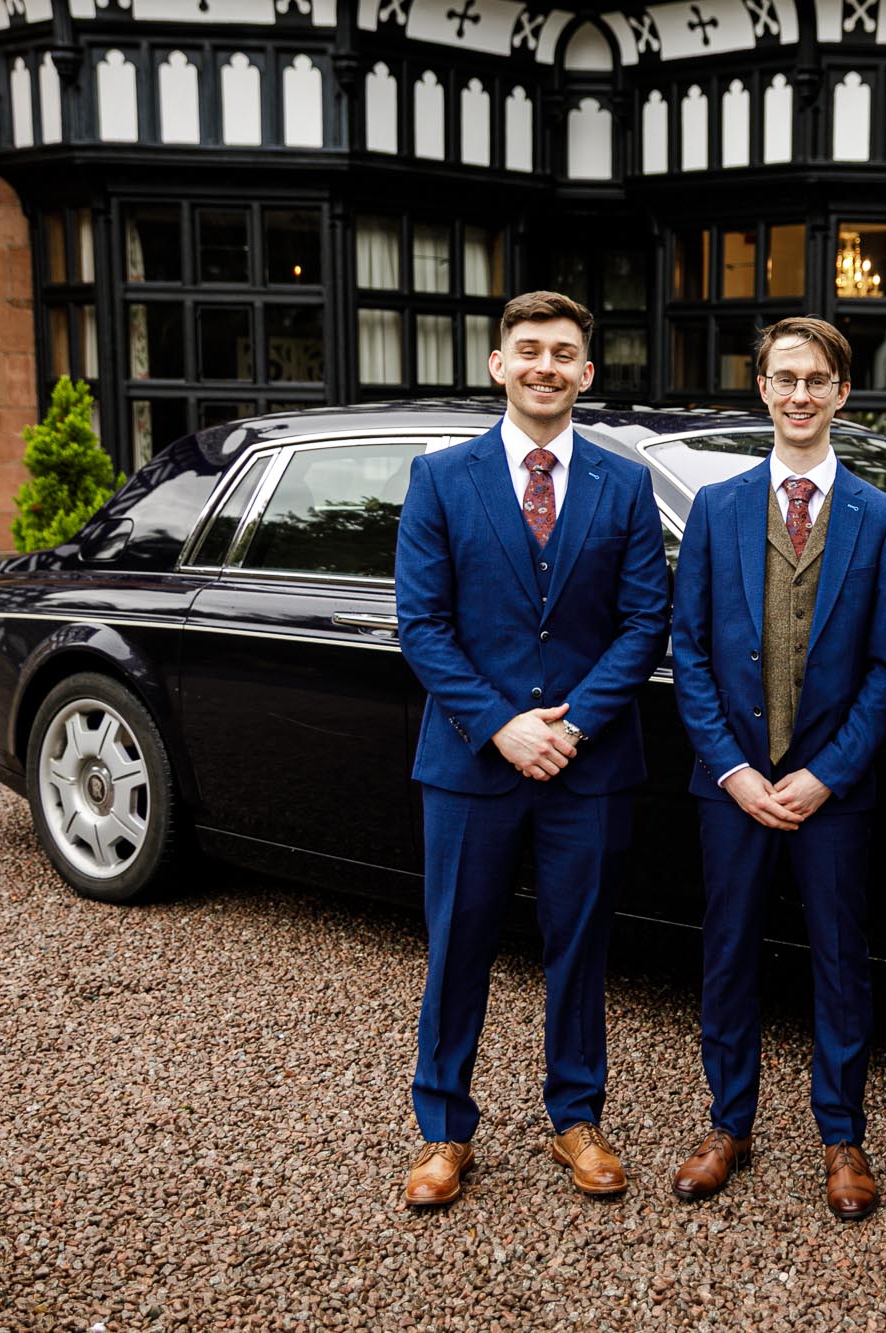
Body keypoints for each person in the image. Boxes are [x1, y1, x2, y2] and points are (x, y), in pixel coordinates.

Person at [393, 290, 671, 1207]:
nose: (546, 365)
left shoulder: (622, 484)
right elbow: (422, 624)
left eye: (564, 353)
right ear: (498, 365)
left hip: (589, 764)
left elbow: (643, 622)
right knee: (458, 942)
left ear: (586, 374)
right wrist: (503, 724)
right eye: (529, 349)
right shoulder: (440, 478)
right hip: (471, 761)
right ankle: (443, 1130)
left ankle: (577, 1117)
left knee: (580, 944)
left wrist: (576, 721)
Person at [667, 317, 886, 1220]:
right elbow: (687, 650)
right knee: (727, 954)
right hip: (731, 784)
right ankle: (729, 1122)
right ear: (761, 387)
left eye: (819, 379)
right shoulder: (718, 507)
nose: (800, 394)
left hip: (832, 789)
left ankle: (842, 1133)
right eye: (785, 378)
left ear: (842, 393)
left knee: (842, 960)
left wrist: (831, 773)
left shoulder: (884, 520)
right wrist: (730, 768)